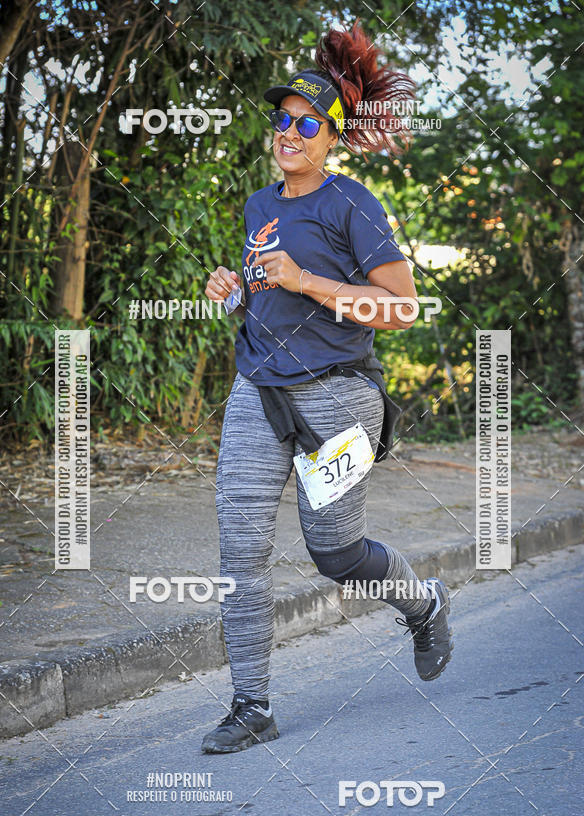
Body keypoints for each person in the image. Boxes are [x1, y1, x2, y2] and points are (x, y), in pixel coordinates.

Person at [202, 22, 453, 754]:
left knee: (333, 553)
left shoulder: (353, 204)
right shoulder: (258, 205)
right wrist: (233, 294)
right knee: (240, 549)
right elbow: (264, 296)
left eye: (306, 122)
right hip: (259, 391)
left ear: (331, 137)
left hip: (340, 401)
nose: (289, 130)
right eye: (282, 118)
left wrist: (306, 280)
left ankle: (424, 602)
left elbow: (401, 308)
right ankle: (252, 705)